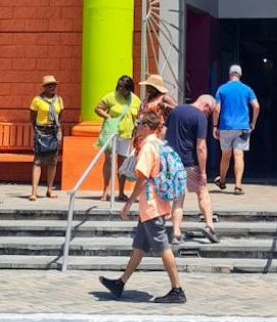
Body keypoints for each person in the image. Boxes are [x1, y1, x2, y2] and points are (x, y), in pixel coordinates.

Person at [99, 111, 185, 304]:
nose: (136, 126)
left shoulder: (148, 147)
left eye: (139, 123)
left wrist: (128, 203)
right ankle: (120, 283)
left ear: (146, 127)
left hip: (152, 206)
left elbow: (143, 178)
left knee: (163, 247)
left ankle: (177, 290)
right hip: (154, 205)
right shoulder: (159, 143)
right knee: (139, 247)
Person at [167, 94, 219, 244]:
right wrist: (203, 171)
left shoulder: (175, 111)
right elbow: (201, 147)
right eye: (210, 112)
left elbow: (164, 133)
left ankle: (176, 233)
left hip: (172, 161)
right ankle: (209, 226)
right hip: (190, 162)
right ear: (206, 106)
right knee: (202, 192)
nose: (208, 115)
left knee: (178, 198)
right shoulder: (200, 117)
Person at [213, 64, 259, 195]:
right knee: (239, 154)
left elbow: (216, 109)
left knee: (225, 155)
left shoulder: (222, 89)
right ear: (240, 75)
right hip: (243, 127)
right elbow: (256, 106)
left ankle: (222, 180)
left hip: (226, 126)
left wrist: (215, 126)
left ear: (229, 74)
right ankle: (238, 186)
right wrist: (253, 122)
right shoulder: (247, 89)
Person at [94, 75, 140, 203]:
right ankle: (105, 191)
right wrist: (108, 117)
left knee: (122, 164)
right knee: (108, 160)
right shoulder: (111, 96)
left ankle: (121, 192)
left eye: (123, 87)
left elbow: (138, 116)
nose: (120, 89)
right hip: (111, 133)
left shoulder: (135, 100)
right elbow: (98, 108)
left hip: (126, 135)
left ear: (129, 88)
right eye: (119, 86)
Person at [28, 75, 63, 202]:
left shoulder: (59, 100)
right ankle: (34, 191)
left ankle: (49, 189)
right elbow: (32, 117)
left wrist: (57, 127)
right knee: (38, 161)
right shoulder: (37, 100)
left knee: (52, 160)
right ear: (44, 87)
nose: (52, 87)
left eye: (54, 85)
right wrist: (36, 130)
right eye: (49, 85)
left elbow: (60, 115)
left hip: (54, 131)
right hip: (41, 130)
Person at [132, 74, 177, 152]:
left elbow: (178, 109)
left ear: (155, 88)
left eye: (149, 86)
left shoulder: (164, 97)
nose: (146, 88)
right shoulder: (147, 98)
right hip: (143, 128)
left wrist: (166, 106)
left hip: (156, 129)